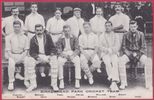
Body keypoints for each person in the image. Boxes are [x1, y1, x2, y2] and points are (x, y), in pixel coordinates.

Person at [119, 20, 152, 90]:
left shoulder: (141, 34)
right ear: (129, 27)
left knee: (148, 61)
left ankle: (149, 84)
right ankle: (123, 83)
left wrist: (138, 54)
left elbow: (143, 47)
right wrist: (130, 54)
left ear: (136, 27)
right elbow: (124, 47)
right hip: (129, 53)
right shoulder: (125, 35)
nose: (133, 28)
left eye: (134, 27)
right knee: (121, 61)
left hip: (138, 53)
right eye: (131, 27)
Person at [27, 24, 59, 92]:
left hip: (48, 55)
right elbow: (32, 52)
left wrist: (50, 56)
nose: (39, 32)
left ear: (43, 30)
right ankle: (33, 84)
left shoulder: (48, 36)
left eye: (40, 30)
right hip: (38, 56)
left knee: (54, 61)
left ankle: (54, 84)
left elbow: (53, 48)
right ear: (35, 31)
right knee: (30, 62)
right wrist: (38, 58)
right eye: (37, 30)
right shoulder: (33, 39)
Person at [5, 20, 28, 91]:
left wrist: (22, 57)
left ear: (20, 27)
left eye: (18, 27)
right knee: (11, 63)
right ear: (13, 27)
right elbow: (8, 50)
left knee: (28, 62)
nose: (16, 28)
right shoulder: (9, 37)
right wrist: (13, 57)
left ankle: (26, 80)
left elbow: (26, 50)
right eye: (15, 27)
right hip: (12, 55)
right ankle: (11, 82)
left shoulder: (25, 37)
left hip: (22, 55)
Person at [57, 25, 81, 89]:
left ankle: (77, 80)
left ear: (70, 31)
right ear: (63, 31)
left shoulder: (74, 37)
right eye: (65, 31)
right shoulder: (60, 38)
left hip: (72, 53)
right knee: (59, 61)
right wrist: (64, 55)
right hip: (64, 53)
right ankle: (61, 81)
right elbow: (58, 49)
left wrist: (73, 55)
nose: (67, 32)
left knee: (77, 60)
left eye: (68, 31)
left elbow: (77, 49)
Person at [99, 21, 120, 91]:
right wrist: (107, 50)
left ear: (111, 27)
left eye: (109, 26)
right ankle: (114, 81)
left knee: (115, 62)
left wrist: (112, 50)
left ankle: (113, 82)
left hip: (113, 53)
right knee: (107, 63)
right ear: (105, 27)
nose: (107, 27)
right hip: (105, 53)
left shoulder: (115, 35)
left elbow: (117, 46)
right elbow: (100, 46)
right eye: (106, 26)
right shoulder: (102, 36)